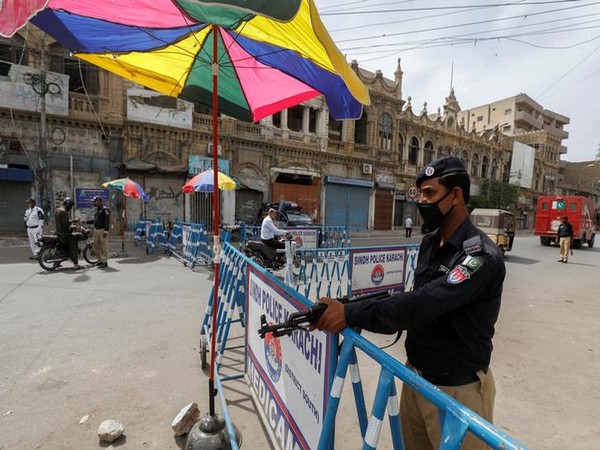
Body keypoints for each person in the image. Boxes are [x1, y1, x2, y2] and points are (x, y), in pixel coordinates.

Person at [314, 156, 505, 450]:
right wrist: (348, 304)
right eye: (419, 194)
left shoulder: (481, 256)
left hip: (457, 391)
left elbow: (423, 304)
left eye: (429, 193)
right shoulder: (430, 243)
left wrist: (350, 313)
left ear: (455, 196)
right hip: (414, 380)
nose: (421, 201)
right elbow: (411, 297)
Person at [55, 197, 81, 270]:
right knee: (73, 247)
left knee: (60, 248)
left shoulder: (58, 210)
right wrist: (74, 221)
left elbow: (62, 221)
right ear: (68, 204)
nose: (70, 208)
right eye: (71, 206)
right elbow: (65, 223)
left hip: (58, 232)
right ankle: (76, 265)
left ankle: (56, 263)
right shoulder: (63, 212)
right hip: (64, 233)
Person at [86, 196, 110, 268]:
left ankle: (104, 262)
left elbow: (107, 221)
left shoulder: (105, 209)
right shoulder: (97, 210)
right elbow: (94, 221)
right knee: (96, 246)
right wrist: (86, 222)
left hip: (102, 230)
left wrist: (106, 230)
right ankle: (99, 261)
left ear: (99, 201)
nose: (94, 203)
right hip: (96, 230)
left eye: (95, 201)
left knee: (103, 247)